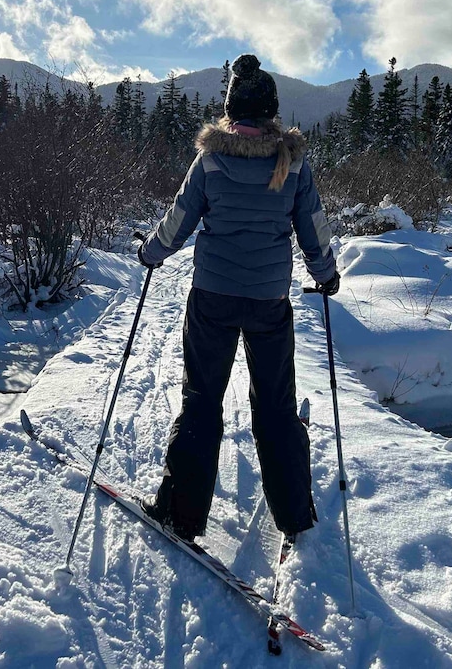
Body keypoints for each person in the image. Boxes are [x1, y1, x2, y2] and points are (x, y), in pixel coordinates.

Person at [137, 53, 340, 544]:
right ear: (270, 111)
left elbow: (180, 217)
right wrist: (326, 273)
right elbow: (312, 226)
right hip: (269, 298)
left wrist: (152, 252)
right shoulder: (292, 163)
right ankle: (294, 514)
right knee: (275, 403)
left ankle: (182, 514)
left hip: (213, 296)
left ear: (231, 110)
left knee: (202, 400)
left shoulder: (209, 159)